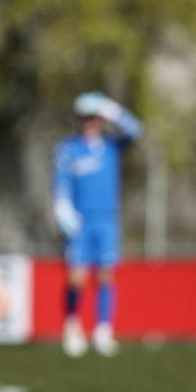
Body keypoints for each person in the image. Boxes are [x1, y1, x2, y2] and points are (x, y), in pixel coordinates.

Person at [53, 91, 142, 357]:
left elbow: (136, 130)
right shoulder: (68, 149)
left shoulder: (111, 147)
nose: (90, 122)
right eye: (86, 118)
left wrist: (110, 108)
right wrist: (63, 212)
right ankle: (72, 327)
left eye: (95, 117)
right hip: (81, 221)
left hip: (106, 220)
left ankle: (103, 330)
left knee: (106, 275)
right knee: (77, 277)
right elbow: (60, 186)